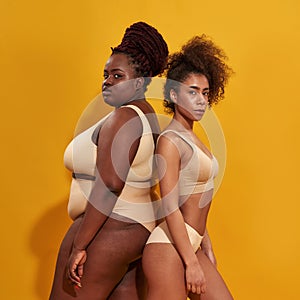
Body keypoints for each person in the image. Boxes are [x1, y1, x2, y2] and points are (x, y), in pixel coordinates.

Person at [49, 21, 168, 300]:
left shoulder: (124, 116)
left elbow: (111, 184)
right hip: (134, 233)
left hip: (108, 231)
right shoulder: (147, 116)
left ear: (139, 82)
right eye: (105, 74)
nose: (107, 81)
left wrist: (79, 245)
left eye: (117, 75)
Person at [142, 35, 234, 299]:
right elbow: (170, 205)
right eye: (192, 92)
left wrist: (206, 244)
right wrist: (191, 263)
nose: (201, 100)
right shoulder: (170, 141)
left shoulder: (193, 138)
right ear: (173, 93)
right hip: (168, 249)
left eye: (205, 93)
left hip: (190, 243)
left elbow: (194, 198)